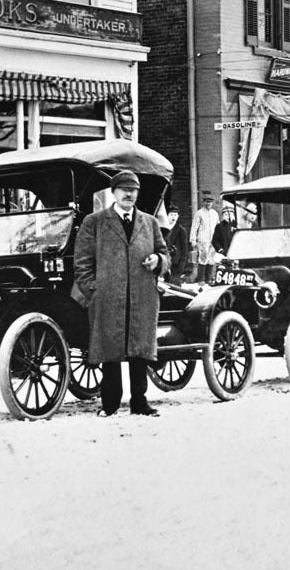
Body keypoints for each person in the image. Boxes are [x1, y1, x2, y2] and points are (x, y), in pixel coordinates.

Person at [74, 170, 170, 417]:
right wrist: (94, 290)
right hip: (108, 296)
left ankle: (140, 402)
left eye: (134, 190)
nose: (129, 194)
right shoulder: (94, 222)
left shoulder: (149, 222)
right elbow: (81, 262)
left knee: (139, 348)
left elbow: (166, 254)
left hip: (142, 294)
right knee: (111, 349)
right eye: (124, 189)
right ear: (113, 192)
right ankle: (110, 404)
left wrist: (157, 260)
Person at [189, 190, 219, 284]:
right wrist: (193, 240)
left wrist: (218, 240)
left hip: (212, 241)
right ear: (204, 202)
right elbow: (194, 227)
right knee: (202, 259)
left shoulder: (215, 214)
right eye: (207, 201)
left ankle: (208, 279)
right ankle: (201, 280)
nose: (208, 203)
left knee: (211, 259)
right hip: (202, 240)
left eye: (210, 202)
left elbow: (217, 227)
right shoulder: (199, 213)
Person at [164, 204, 188, 282]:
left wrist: (182, 263)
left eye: (175, 215)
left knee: (174, 283)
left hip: (175, 263)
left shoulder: (181, 231)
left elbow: (184, 249)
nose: (173, 217)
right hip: (164, 261)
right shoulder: (162, 229)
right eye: (171, 214)